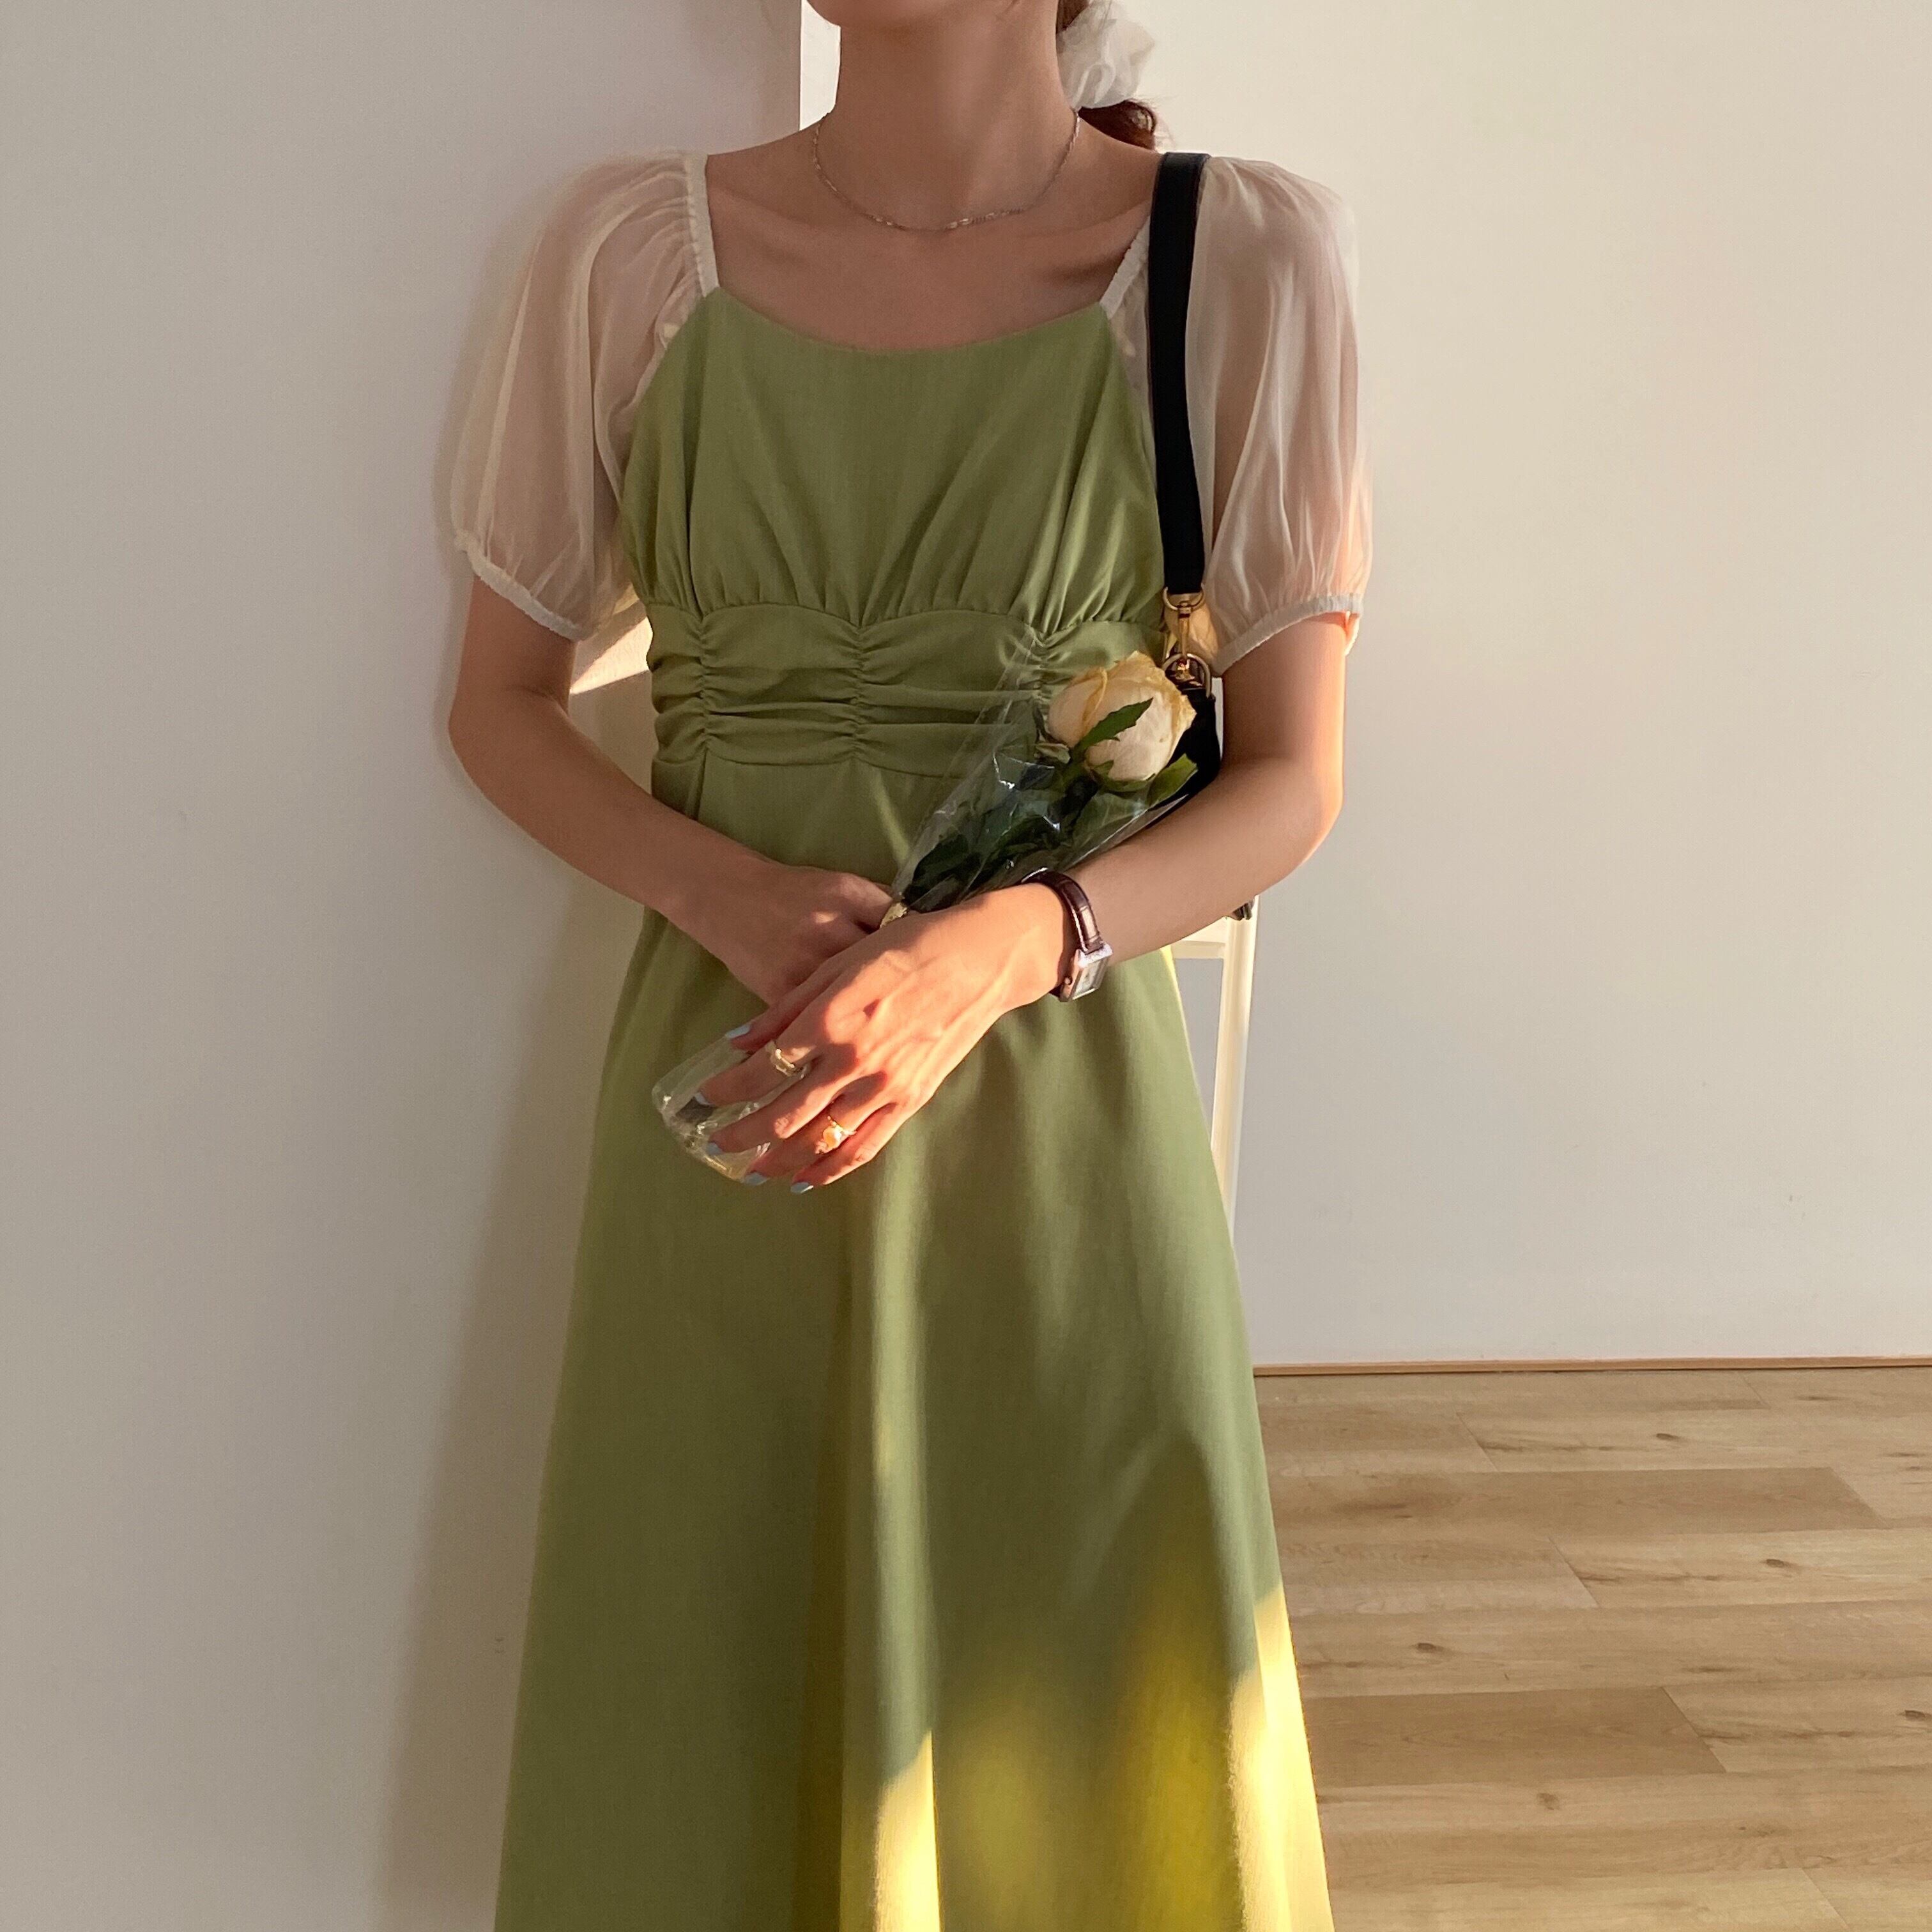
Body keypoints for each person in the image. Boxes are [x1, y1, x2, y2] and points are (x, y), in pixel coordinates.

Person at [445, 0, 1369, 1922]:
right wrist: (722, 896)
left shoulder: (1236, 255)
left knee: (1080, 1681)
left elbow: (1290, 783)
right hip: (737, 1090)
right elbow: (499, 706)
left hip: (1055, 1098)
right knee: (707, 1650)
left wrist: (1013, 945)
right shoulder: (628, 254)